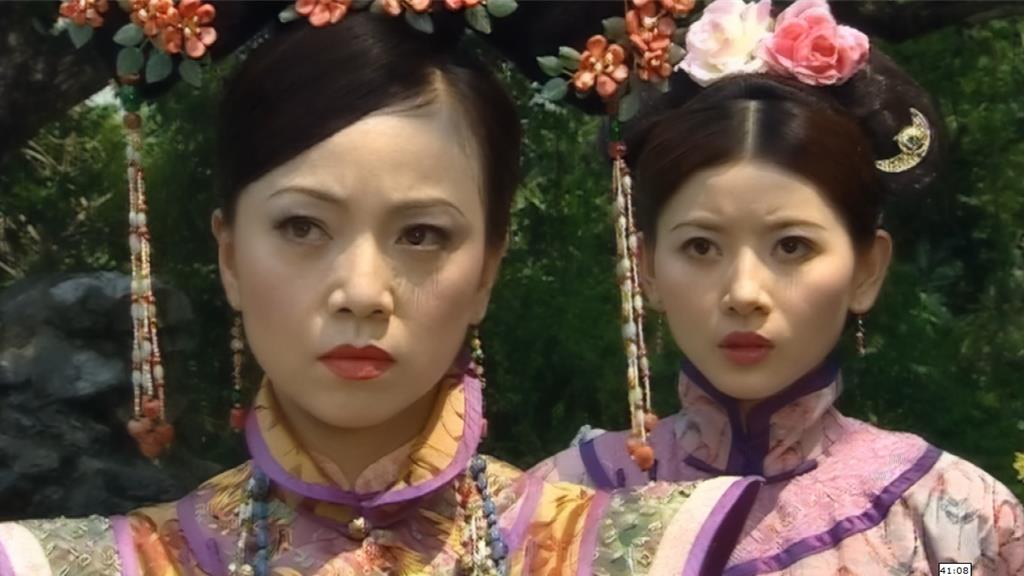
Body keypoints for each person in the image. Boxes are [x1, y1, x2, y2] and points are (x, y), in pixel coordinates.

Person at [0, 2, 760, 575]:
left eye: (422, 235)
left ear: (486, 270)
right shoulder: (86, 563)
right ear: (229, 256)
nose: (363, 292)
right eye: (302, 227)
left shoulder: (640, 552)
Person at [529, 0, 1024, 573]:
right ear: (647, 269)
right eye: (701, 247)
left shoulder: (955, 527)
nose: (745, 293)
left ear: (867, 269)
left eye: (792, 247)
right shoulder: (557, 509)